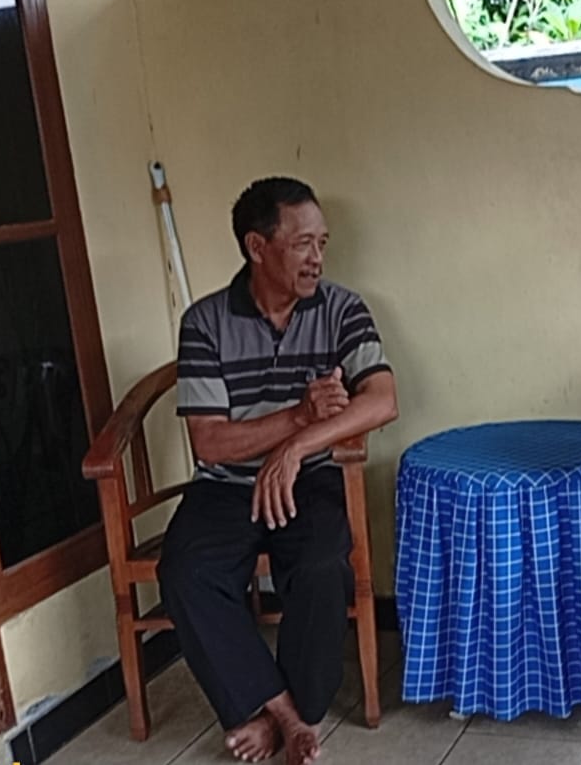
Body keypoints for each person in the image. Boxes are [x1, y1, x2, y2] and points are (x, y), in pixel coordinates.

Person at [159, 177, 398, 765]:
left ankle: (288, 713)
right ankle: (287, 718)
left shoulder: (341, 308)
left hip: (311, 477)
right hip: (227, 486)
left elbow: (382, 400)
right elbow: (210, 442)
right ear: (257, 247)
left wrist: (296, 448)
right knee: (185, 571)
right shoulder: (205, 322)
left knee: (321, 565)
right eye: (302, 244)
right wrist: (297, 415)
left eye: (322, 243)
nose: (317, 258)